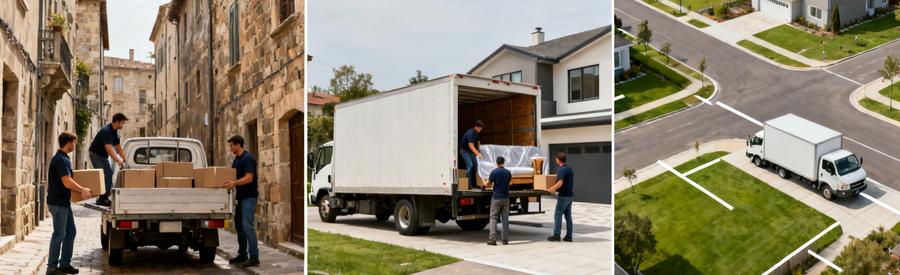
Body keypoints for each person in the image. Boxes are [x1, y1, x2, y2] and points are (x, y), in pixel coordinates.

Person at [46, 132, 92, 275]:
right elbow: (66, 181)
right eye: (74, 142)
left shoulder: (63, 158)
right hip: (58, 203)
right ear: (68, 142)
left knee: (70, 233)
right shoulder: (61, 160)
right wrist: (82, 189)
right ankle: (52, 267)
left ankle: (64, 264)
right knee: (59, 235)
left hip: (63, 203)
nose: (75, 145)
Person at [224, 136, 260, 267]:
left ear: (238, 145)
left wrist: (233, 183)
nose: (230, 148)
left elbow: (249, 178)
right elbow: (233, 177)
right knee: (239, 225)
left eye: (231, 145)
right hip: (241, 197)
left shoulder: (248, 158)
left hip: (249, 197)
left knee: (247, 226)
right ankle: (243, 254)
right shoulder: (236, 160)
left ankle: (254, 256)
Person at [88, 113, 128, 206]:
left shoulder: (115, 132)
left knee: (108, 173)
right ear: (117, 122)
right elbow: (109, 150)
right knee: (107, 174)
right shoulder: (107, 131)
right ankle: (102, 199)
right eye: (122, 122)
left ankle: (104, 197)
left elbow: (119, 148)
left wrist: (125, 160)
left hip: (103, 156)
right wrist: (119, 161)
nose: (123, 124)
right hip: (95, 155)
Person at [484, 156, 511, 245]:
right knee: (505, 219)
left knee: (493, 218)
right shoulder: (508, 172)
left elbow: (488, 184)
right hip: (506, 198)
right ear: (504, 162)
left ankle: (492, 239)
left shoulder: (494, 172)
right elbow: (509, 182)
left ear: (496, 163)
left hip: (496, 197)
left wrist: (484, 184)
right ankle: (505, 239)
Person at [548, 152, 574, 242]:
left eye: (556, 159)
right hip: (570, 195)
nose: (555, 160)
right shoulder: (569, 169)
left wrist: (552, 188)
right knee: (568, 217)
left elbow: (560, 182)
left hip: (563, 196)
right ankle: (569, 236)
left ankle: (556, 235)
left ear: (558, 160)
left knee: (557, 215)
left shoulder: (561, 170)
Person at [459, 120, 484, 189]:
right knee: (470, 165)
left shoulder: (477, 133)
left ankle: (479, 184)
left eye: (481, 129)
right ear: (475, 126)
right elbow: (471, 146)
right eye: (479, 128)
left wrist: (481, 150)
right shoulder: (470, 133)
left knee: (477, 165)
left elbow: (478, 143)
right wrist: (478, 154)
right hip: (464, 151)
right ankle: (468, 185)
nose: (480, 130)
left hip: (471, 151)